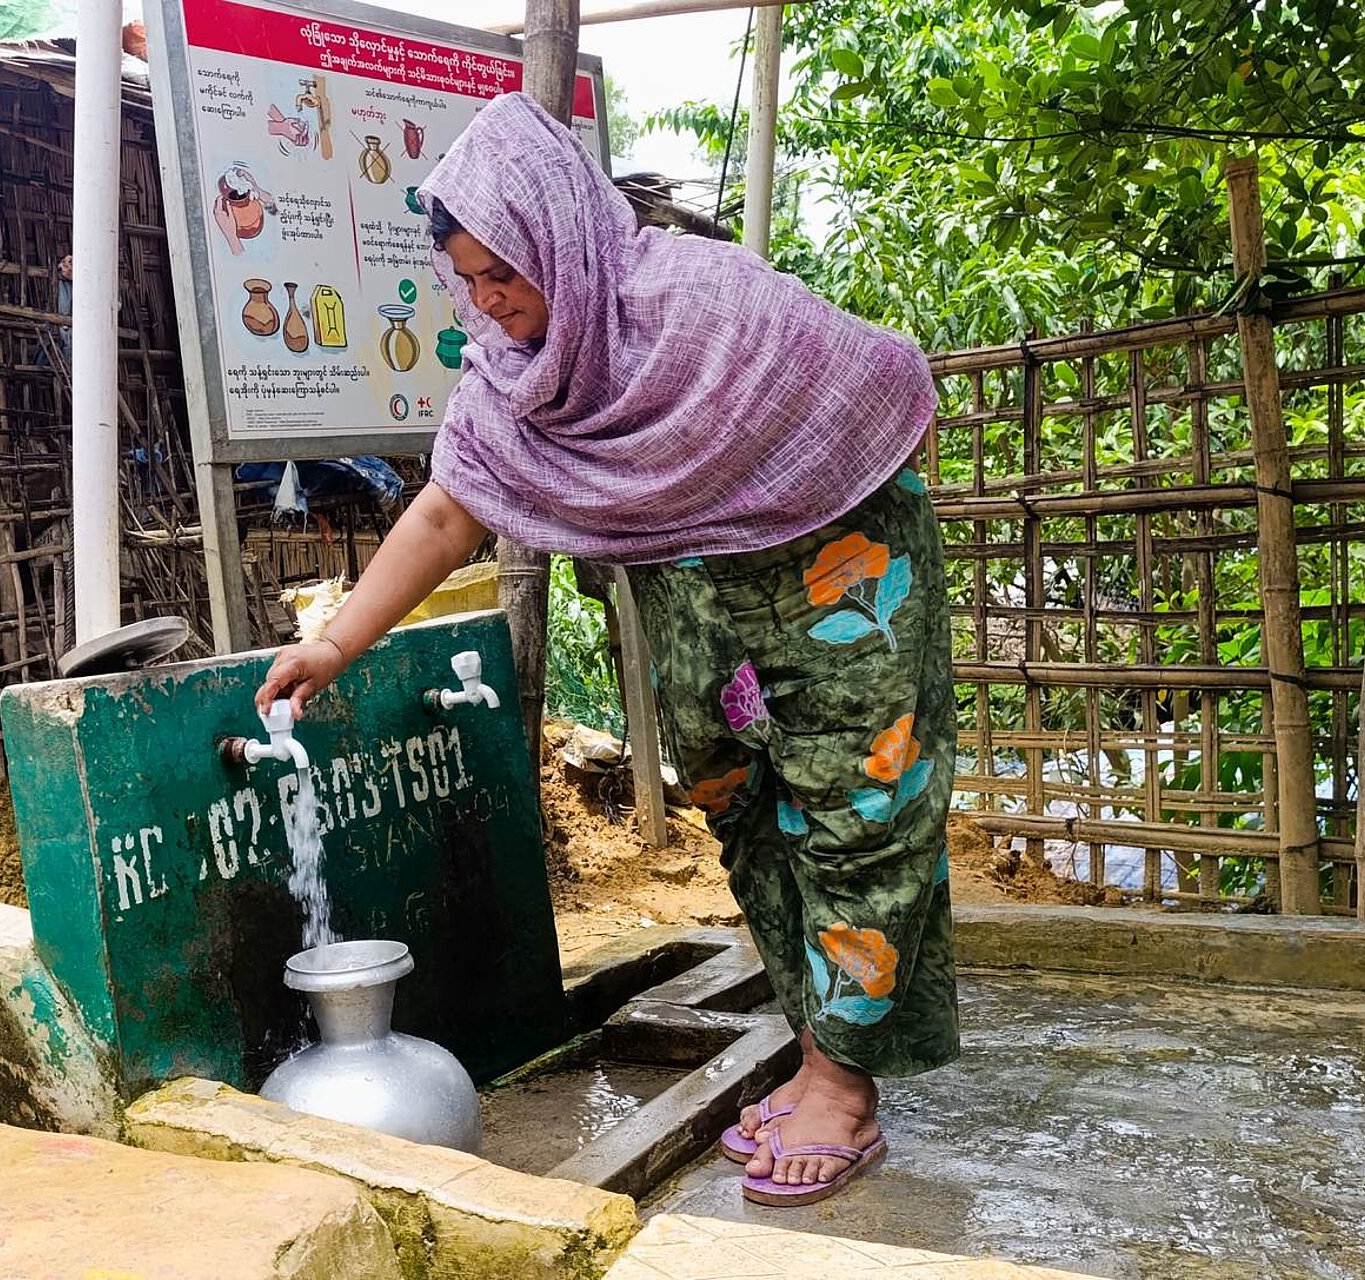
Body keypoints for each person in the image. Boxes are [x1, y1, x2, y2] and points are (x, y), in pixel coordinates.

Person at [254, 92, 957, 1207]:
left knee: (861, 809)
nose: (492, 302)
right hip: (699, 600)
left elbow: (878, 382)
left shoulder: (700, 300)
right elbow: (448, 509)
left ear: (563, 240)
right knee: (741, 805)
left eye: (507, 274)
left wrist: (799, 483)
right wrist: (336, 644)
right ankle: (821, 1042)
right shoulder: (513, 377)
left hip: (840, 569)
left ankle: (842, 1086)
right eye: (470, 280)